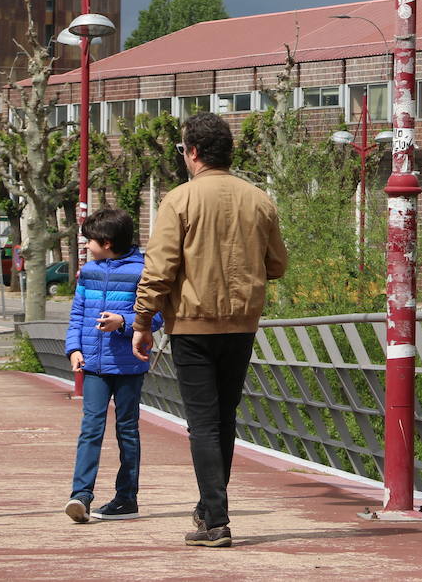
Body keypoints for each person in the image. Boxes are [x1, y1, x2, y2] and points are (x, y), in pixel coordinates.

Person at [132, 112, 288, 548]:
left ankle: (215, 519)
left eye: (183, 150)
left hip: (191, 325)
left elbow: (159, 269)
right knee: (224, 419)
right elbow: (277, 264)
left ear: (193, 152)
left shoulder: (178, 200)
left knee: (202, 423)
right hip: (241, 325)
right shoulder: (258, 199)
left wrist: (142, 321)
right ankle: (208, 510)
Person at [63, 208, 161, 523]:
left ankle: (126, 498)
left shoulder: (143, 271)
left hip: (129, 366)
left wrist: (123, 323)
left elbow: (156, 317)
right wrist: (74, 348)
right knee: (90, 429)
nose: (86, 246)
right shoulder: (89, 272)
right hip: (93, 364)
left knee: (127, 431)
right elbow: (77, 312)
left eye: (89, 240)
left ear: (106, 242)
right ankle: (81, 497)